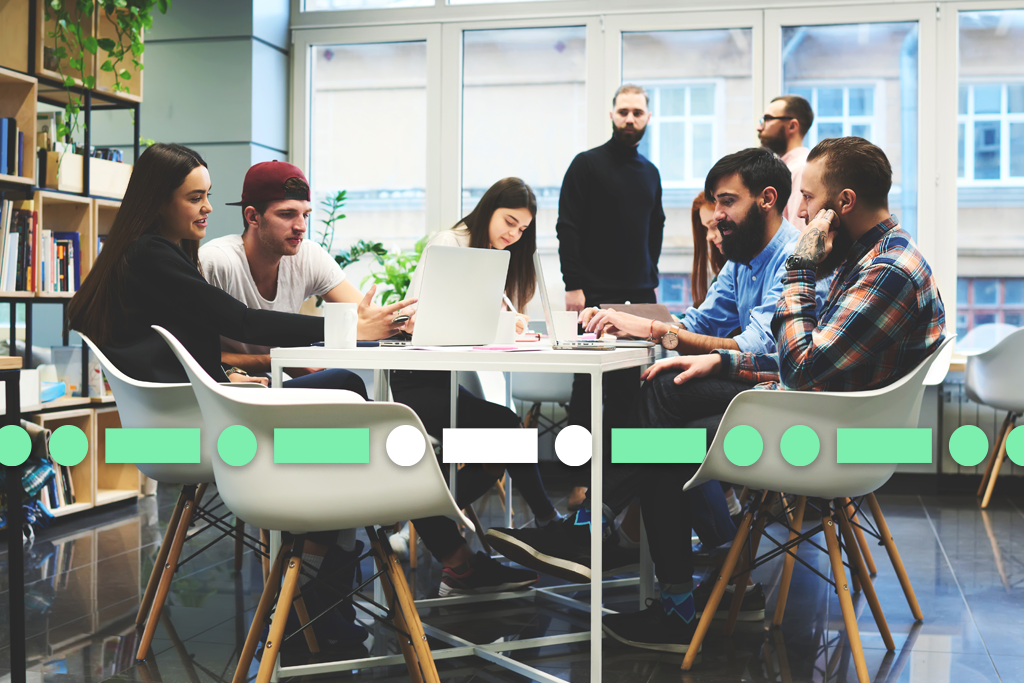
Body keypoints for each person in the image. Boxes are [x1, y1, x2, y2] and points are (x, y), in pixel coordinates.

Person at [493, 137, 947, 654]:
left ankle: (613, 544)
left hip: (836, 440)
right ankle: (644, 563)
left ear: (842, 203)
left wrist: (799, 267)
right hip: (819, 414)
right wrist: (716, 355)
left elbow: (802, 367)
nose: (803, 212)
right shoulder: (863, 259)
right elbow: (791, 359)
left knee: (667, 418)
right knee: (666, 411)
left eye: (810, 198)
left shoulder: (883, 270)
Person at [66, 144, 366, 648]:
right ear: (159, 201)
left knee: (338, 451)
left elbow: (173, 351)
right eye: (195, 198)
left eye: (208, 196)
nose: (207, 208)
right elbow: (241, 321)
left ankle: (316, 575)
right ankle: (321, 575)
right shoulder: (152, 256)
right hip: (205, 433)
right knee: (349, 400)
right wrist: (342, 330)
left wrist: (222, 380)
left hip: (188, 422)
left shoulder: (148, 256)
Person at [488, 147, 810, 584]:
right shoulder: (742, 262)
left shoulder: (794, 259)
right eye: (715, 202)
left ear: (767, 199)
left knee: (664, 393)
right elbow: (697, 322)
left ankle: (592, 528)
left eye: (727, 201)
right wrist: (637, 326)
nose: (716, 215)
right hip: (752, 392)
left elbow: (755, 347)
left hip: (786, 402)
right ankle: (706, 582)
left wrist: (656, 333)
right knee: (665, 448)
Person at [392, 177, 562, 597]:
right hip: (416, 380)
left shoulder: (490, 256)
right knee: (504, 430)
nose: (513, 234)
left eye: (522, 229)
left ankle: (426, 515)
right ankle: (548, 525)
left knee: (504, 430)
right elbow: (417, 317)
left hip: (441, 378)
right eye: (509, 221)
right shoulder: (450, 243)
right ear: (488, 210)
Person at [198, 160, 413, 393]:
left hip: (269, 385)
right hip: (218, 390)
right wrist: (279, 360)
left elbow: (365, 316)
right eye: (287, 214)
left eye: (306, 215)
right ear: (253, 217)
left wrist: (402, 321)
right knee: (344, 385)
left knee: (369, 401)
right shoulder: (216, 261)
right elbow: (187, 351)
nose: (301, 226)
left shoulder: (307, 256)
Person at [556, 83, 666, 509]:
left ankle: (620, 484)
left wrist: (650, 278)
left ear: (648, 119)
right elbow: (569, 227)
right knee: (584, 395)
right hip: (593, 296)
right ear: (611, 115)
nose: (630, 119)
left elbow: (653, 229)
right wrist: (573, 285)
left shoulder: (651, 173)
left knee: (628, 397)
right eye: (624, 111)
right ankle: (580, 481)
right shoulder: (586, 165)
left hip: (638, 296)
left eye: (638, 112)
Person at [758, 95, 814, 230]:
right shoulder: (787, 168)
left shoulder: (800, 170)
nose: (759, 127)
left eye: (767, 119)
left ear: (792, 125)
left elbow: (799, 232)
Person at [690, 191, 726, 309]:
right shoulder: (725, 273)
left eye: (714, 226)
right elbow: (705, 316)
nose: (709, 237)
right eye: (706, 229)